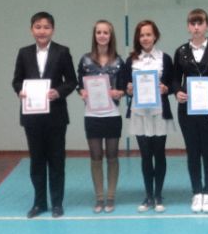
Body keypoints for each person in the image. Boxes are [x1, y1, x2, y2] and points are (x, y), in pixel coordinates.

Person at [12, 11, 77, 218]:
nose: (42, 31)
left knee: (57, 160)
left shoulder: (62, 52)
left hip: (56, 116)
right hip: (32, 117)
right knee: (37, 161)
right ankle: (39, 203)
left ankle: (57, 203)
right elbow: (16, 80)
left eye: (46, 27)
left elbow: (72, 81)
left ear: (53, 30)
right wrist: (20, 91)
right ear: (31, 30)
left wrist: (58, 91)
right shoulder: (24, 53)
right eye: (38, 27)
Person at [172, 8, 208, 213]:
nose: (196, 27)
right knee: (193, 151)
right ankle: (197, 192)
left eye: (200, 23)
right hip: (187, 110)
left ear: (207, 26)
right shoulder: (180, 52)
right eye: (193, 23)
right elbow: (174, 79)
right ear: (188, 27)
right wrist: (177, 92)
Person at [122, 20, 174, 213]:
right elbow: (124, 84)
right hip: (139, 113)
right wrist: (128, 89)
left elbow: (173, 83)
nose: (145, 38)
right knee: (145, 155)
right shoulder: (131, 60)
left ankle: (158, 194)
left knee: (159, 153)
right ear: (138, 38)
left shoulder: (165, 58)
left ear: (155, 36)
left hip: (159, 112)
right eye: (141, 35)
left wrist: (166, 88)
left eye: (148, 34)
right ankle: (148, 195)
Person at [77, 20, 125, 213]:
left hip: (112, 114)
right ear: (94, 35)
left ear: (111, 36)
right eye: (99, 32)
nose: (102, 35)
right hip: (92, 115)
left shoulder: (119, 61)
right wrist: (82, 91)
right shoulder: (85, 60)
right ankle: (99, 197)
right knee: (96, 156)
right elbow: (78, 84)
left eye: (106, 32)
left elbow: (123, 87)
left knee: (112, 155)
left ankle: (111, 196)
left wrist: (119, 92)